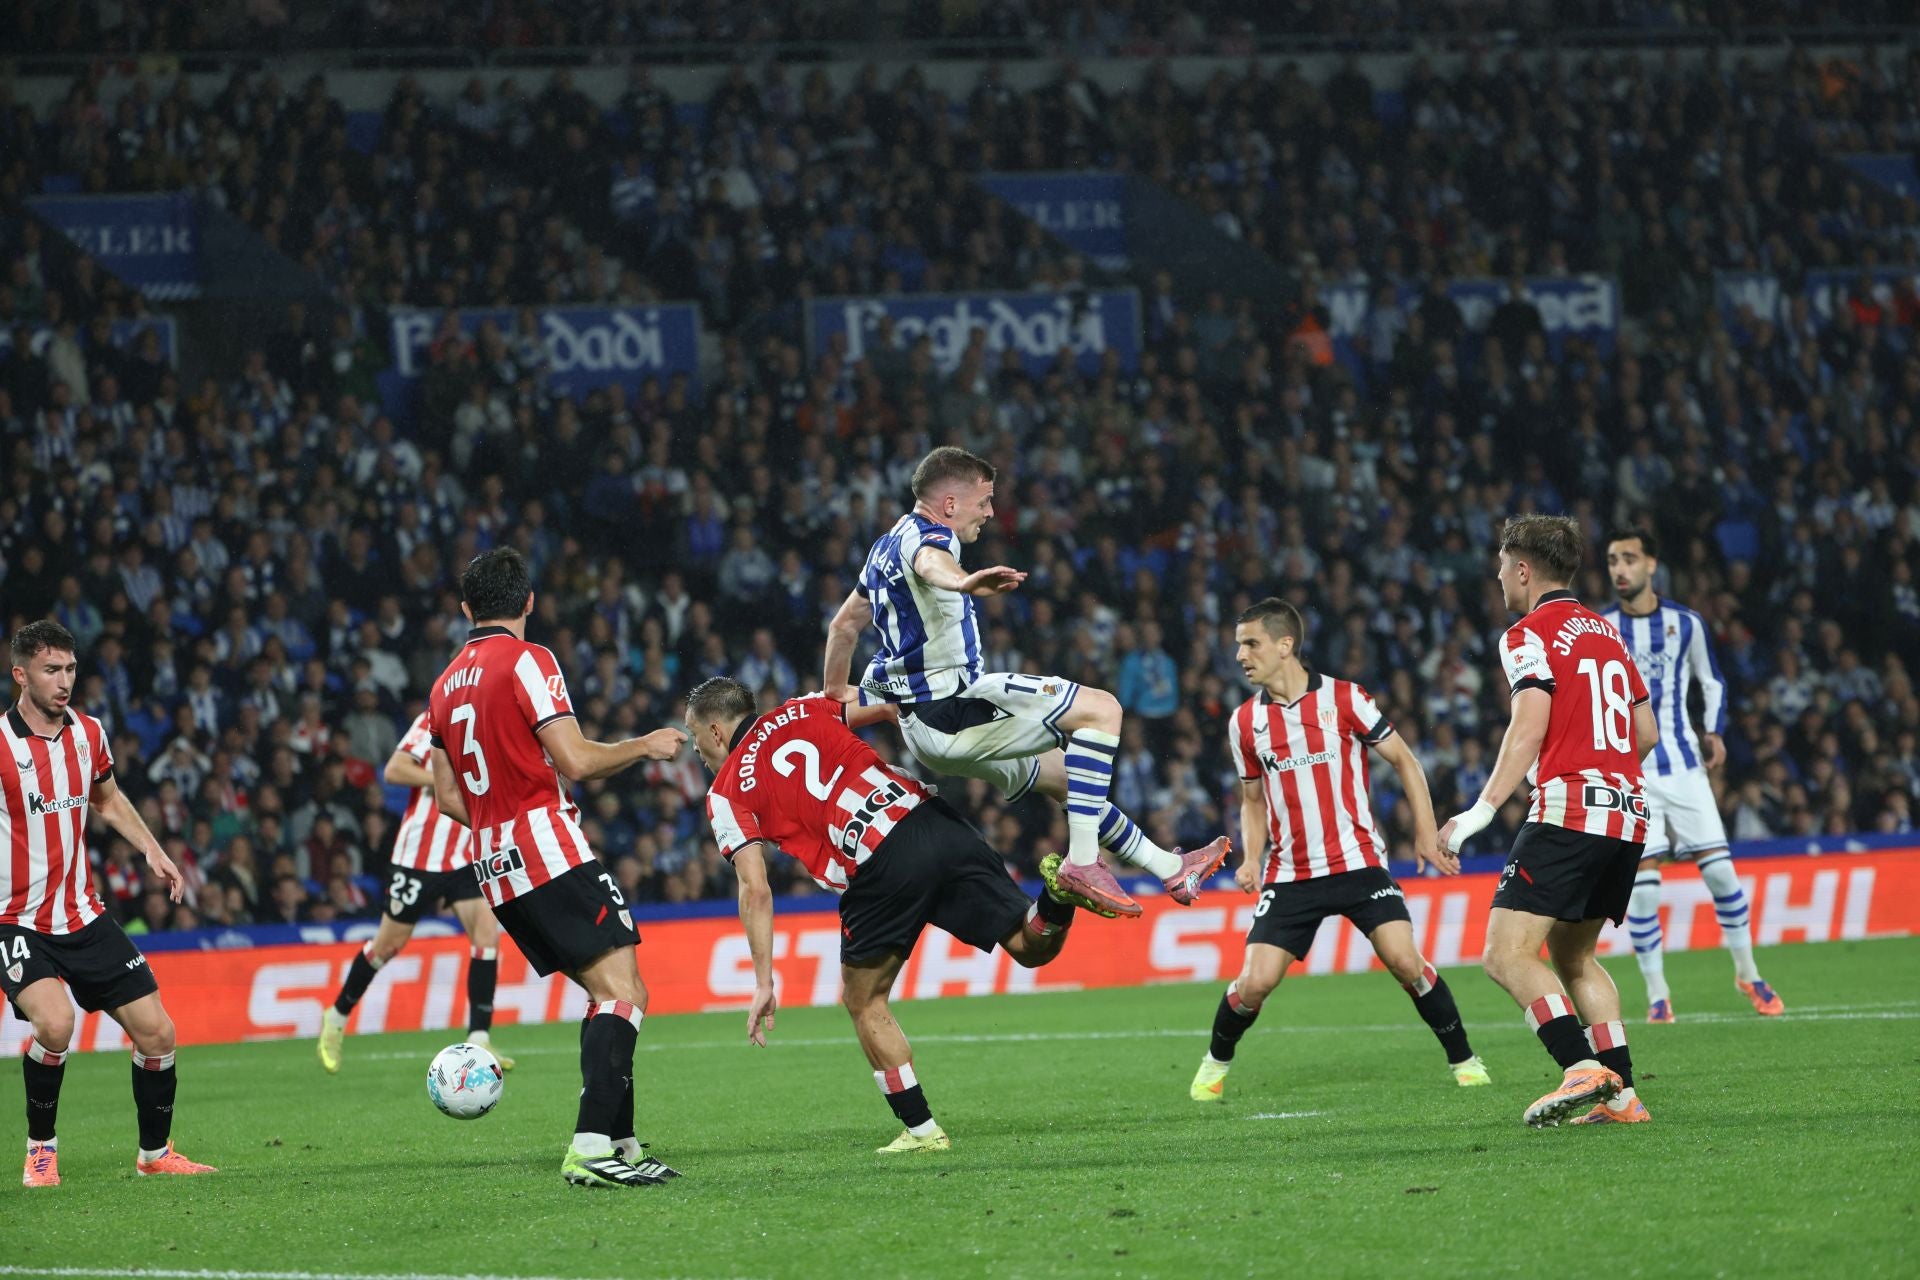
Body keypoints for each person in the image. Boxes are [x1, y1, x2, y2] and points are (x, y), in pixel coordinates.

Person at [687, 676, 1091, 1153]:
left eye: (696, 743)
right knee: (1029, 946)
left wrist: (763, 982)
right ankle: (1060, 891)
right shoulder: (807, 707)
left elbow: (755, 890)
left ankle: (921, 1131)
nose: (701, 756)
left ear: (716, 732)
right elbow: (895, 702)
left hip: (877, 857)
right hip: (929, 817)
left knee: (864, 1001)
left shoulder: (727, 791)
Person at [822, 446, 1228, 918]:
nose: (991, 512)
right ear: (950, 504)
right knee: (1104, 710)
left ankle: (1167, 867)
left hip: (928, 725)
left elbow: (842, 627)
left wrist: (835, 695)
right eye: (984, 501)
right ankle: (1081, 863)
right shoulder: (932, 537)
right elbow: (931, 562)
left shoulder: (882, 548)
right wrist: (963, 582)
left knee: (1068, 780)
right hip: (954, 709)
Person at [426, 549, 686, 1188]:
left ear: (466, 610)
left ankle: (619, 1141)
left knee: (612, 995)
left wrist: (499, 821)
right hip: (546, 849)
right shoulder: (528, 660)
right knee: (623, 994)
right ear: (529, 602)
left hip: (494, 865)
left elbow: (445, 797)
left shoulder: (441, 686)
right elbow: (573, 759)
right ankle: (591, 1149)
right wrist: (644, 745)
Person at [1191, 599, 1490, 1103]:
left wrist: (1424, 833)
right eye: (1239, 644)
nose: (1240, 655)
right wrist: (1250, 857)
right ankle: (1214, 1064)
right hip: (1291, 874)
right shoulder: (1244, 722)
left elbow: (1406, 761)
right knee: (1254, 983)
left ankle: (1465, 1059)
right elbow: (1251, 798)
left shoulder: (1345, 699)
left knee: (1405, 961)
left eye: (1251, 643)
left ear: (1285, 645)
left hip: (1358, 863)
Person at [1440, 516, 1658, 1128]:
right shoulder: (1610, 635)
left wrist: (1478, 812)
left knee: (1505, 955)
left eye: (1503, 566)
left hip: (1570, 810)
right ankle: (1622, 1098)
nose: (1499, 577)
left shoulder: (1527, 633)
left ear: (1525, 569)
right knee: (1576, 955)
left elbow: (1527, 724)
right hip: (1628, 812)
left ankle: (1579, 1066)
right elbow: (1646, 733)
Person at [2, 621, 216, 1186]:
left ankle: (155, 1155)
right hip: (16, 920)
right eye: (52, 670)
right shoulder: (0, 744)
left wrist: (153, 850)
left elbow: (107, 798)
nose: (64, 681)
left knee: (158, 1034)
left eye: (71, 669)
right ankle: (41, 1149)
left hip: (83, 913)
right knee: (55, 1023)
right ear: (20, 674)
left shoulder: (88, 732)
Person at [1600, 528, 1783, 1022]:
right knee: (1645, 886)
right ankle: (1658, 994)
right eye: (1613, 560)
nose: (1620, 569)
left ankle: (1748, 973)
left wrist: (1714, 730)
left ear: (1651, 564)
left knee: (1722, 872)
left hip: (1683, 767)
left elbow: (1711, 681)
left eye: (1630, 559)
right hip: (1630, 776)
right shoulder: (1599, 627)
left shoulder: (1687, 624)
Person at [317, 710, 516, 1074]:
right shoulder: (437, 718)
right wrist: (443, 780)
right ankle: (338, 1014)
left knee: (487, 936)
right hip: (419, 856)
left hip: (463, 856)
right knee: (387, 946)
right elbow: (394, 770)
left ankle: (480, 1039)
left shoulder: (497, 725)